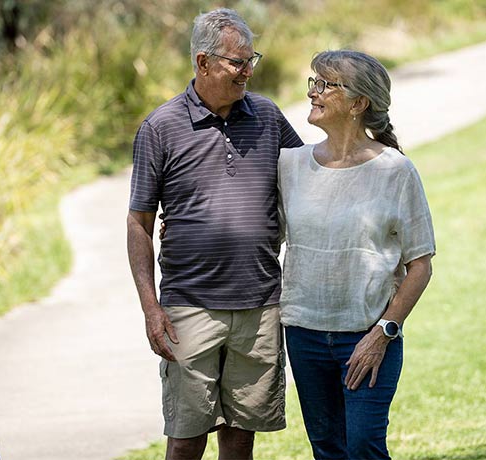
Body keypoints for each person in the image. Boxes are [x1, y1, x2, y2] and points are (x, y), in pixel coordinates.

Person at [126, 8, 303, 460]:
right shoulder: (160, 128)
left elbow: (309, 180)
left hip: (259, 303)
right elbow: (139, 223)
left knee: (241, 435)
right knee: (187, 437)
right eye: (236, 62)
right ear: (203, 63)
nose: (247, 71)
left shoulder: (267, 116)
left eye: (250, 61)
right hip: (189, 306)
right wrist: (151, 307)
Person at [278, 50, 436, 460]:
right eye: (314, 82)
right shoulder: (290, 165)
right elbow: (258, 232)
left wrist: (384, 331)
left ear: (358, 104)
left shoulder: (396, 171)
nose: (314, 92)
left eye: (327, 85)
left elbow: (420, 264)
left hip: (368, 336)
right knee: (327, 449)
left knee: (364, 446)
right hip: (304, 333)